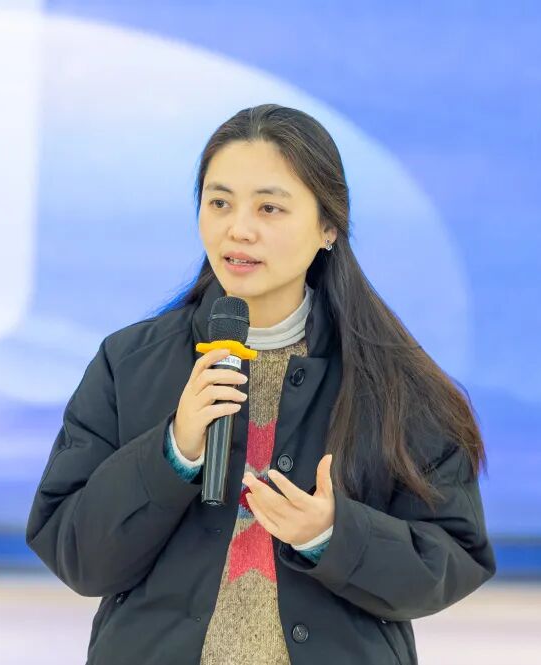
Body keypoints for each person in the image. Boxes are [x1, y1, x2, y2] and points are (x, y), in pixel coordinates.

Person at [25, 104, 496, 665]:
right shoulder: (128, 363)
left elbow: (452, 558)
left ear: (328, 227)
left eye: (269, 207)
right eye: (219, 203)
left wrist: (332, 535)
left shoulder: (393, 380)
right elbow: (76, 555)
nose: (238, 229)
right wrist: (173, 451)